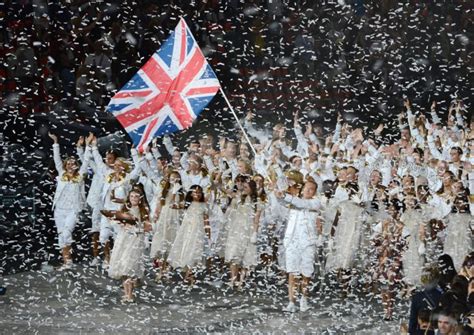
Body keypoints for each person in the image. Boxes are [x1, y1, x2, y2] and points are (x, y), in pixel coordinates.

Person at [276, 179, 321, 313]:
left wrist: (286, 196)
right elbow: (281, 201)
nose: (308, 191)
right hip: (292, 241)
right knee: (292, 272)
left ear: (315, 191)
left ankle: (304, 299)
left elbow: (300, 203)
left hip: (307, 242)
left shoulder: (315, 203)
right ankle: (291, 301)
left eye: (311, 189)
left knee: (306, 273)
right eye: (306, 188)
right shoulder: (294, 201)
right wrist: (278, 192)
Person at [48, 132, 91, 270]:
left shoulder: (80, 176)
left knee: (67, 233)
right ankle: (67, 262)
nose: (71, 165)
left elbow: (86, 162)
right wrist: (55, 142)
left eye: (73, 163)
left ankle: (68, 261)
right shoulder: (61, 175)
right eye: (69, 163)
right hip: (59, 209)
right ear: (66, 166)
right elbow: (57, 160)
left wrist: (88, 146)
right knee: (61, 236)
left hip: (73, 210)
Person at [101, 187, 151, 303]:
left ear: (140, 199)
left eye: (136, 196)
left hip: (136, 240)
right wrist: (120, 223)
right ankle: (127, 293)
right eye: (132, 196)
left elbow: (148, 227)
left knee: (129, 265)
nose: (134, 198)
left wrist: (136, 228)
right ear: (129, 198)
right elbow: (116, 220)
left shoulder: (144, 210)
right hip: (123, 239)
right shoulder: (124, 208)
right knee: (123, 265)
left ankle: (130, 294)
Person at [167, 185, 210, 285]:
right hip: (187, 231)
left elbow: (206, 221)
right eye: (195, 192)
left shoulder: (204, 205)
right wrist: (174, 193)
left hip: (198, 232)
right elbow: (172, 205)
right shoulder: (187, 204)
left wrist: (208, 235)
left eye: (199, 192)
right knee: (187, 249)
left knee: (195, 251)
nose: (197, 194)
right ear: (191, 193)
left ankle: (190, 274)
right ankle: (188, 273)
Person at [224, 179, 261, 288]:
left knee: (247, 255)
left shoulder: (257, 202)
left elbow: (256, 219)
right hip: (236, 229)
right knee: (234, 254)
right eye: (243, 187)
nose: (243, 189)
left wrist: (254, 233)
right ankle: (233, 279)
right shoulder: (239, 198)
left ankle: (242, 281)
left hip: (248, 230)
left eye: (246, 187)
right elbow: (226, 191)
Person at [149, 170, 184, 282]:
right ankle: (160, 271)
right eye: (172, 178)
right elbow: (160, 204)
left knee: (171, 245)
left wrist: (175, 192)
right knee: (162, 245)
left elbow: (178, 205)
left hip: (175, 218)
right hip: (165, 218)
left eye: (176, 179)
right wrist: (156, 215)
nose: (174, 181)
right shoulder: (164, 191)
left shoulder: (181, 193)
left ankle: (167, 272)